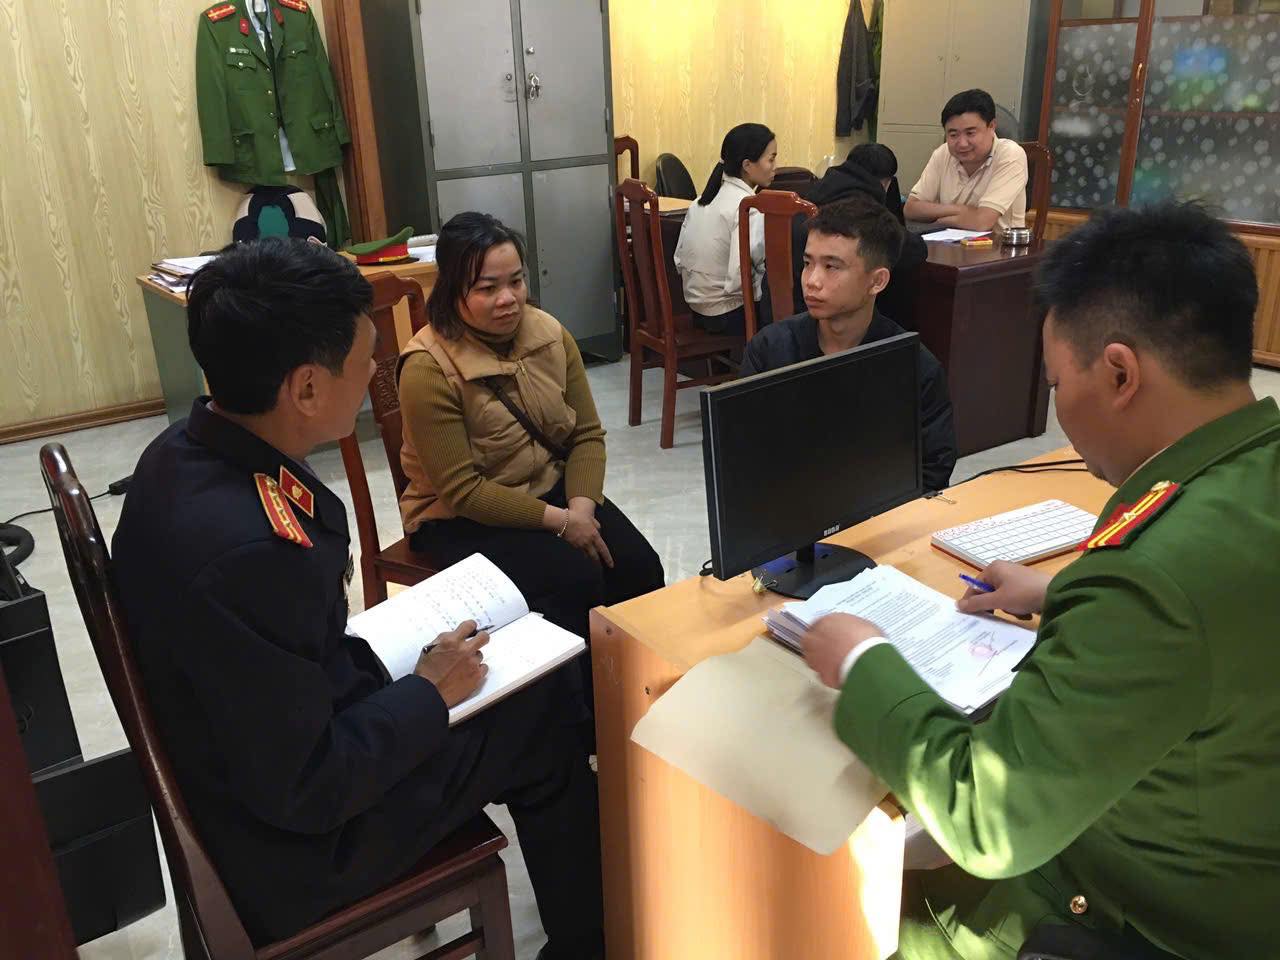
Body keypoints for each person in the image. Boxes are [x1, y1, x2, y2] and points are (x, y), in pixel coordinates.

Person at [800, 202, 1280, 959]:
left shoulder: (1150, 575)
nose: (1059, 406)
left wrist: (862, 661)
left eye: (1056, 382)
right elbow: (1227, 611)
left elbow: (987, 821)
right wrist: (1061, 593)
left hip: (1148, 917)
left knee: (839, 905)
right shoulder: (1253, 470)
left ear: (1120, 373)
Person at [111, 238, 604, 958]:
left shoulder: (182, 454)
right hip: (300, 851)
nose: (376, 373)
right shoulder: (249, 553)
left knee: (500, 671)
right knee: (540, 707)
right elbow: (310, 786)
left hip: (258, 758)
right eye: (365, 359)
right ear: (307, 388)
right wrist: (428, 693)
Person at [397, 212, 665, 659]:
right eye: (487, 288)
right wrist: (561, 522)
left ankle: (631, 687)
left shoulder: (549, 333)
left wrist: (580, 510)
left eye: (516, 281)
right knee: (574, 582)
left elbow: (586, 435)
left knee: (639, 567)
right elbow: (462, 490)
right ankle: (578, 699)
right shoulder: (428, 367)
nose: (508, 299)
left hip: (549, 490)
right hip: (461, 519)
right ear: (451, 290)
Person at [742, 197, 957, 492]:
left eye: (831, 266)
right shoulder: (769, 351)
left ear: (877, 281)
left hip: (883, 512)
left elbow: (932, 471)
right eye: (807, 263)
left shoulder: (916, 368)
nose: (812, 281)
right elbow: (744, 455)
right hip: (786, 509)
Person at [786, 143, 927, 325]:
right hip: (822, 314)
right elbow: (914, 250)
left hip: (790, 303)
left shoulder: (817, 189)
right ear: (886, 183)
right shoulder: (860, 208)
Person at [673, 123, 778, 334]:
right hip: (727, 314)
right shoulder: (748, 207)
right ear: (747, 165)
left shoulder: (701, 200)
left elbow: (678, 261)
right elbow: (739, 279)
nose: (776, 166)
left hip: (696, 309)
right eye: (771, 159)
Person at [904, 88, 1028, 232]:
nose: (962, 143)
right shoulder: (943, 153)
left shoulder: (1010, 155)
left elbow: (982, 222)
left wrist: (940, 219)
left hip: (999, 244)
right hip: (948, 242)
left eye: (970, 133)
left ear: (992, 126)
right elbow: (911, 208)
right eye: (953, 135)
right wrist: (962, 210)